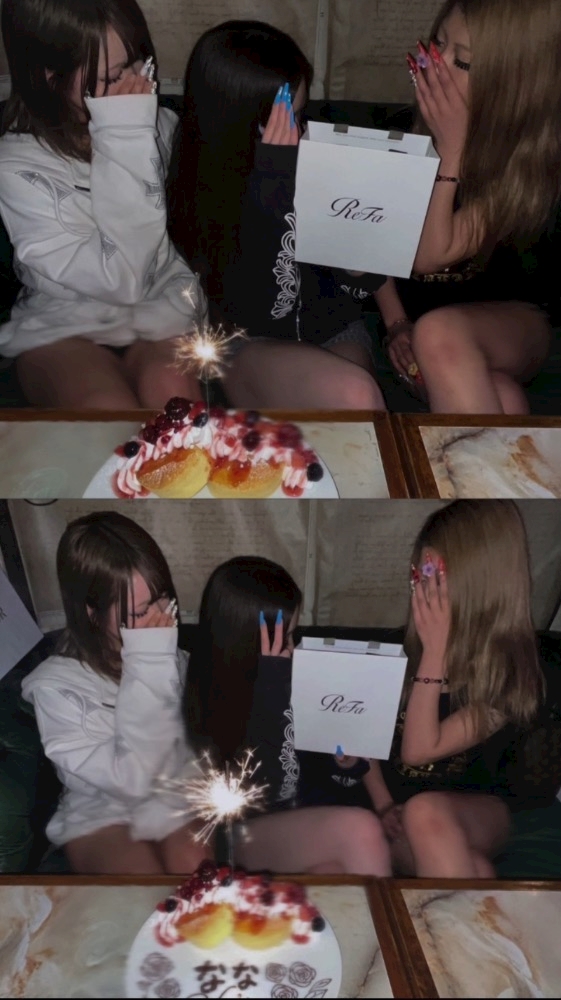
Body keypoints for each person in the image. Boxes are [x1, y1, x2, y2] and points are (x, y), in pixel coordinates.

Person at [167, 20, 388, 410]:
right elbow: (259, 306)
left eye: (300, 116)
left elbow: (357, 287)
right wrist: (275, 186)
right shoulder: (203, 183)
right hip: (250, 343)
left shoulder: (317, 154)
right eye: (284, 121)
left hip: (334, 331)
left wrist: (358, 263)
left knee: (356, 397)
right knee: (352, 391)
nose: (299, 133)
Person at [0, 0, 202, 409]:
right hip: (62, 324)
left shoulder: (159, 124)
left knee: (176, 404)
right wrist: (124, 132)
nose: (135, 84)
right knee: (107, 412)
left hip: (161, 311)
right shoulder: (17, 164)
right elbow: (121, 280)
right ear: (50, 77)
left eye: (139, 63)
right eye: (112, 77)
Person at [380, 0, 561, 413]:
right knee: (504, 399)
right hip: (426, 331)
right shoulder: (401, 130)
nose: (436, 66)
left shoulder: (529, 155)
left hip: (514, 323)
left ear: (512, 79)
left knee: (439, 334)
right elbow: (371, 241)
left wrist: (452, 150)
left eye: (463, 61)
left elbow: (431, 255)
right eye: (437, 44)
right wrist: (396, 324)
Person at [365, 500, 546, 877]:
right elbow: (359, 739)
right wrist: (382, 804)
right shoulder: (396, 652)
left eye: (435, 575)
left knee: (425, 811)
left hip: (478, 809)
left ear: (478, 583)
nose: (423, 589)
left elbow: (419, 751)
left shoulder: (508, 672)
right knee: (474, 870)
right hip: (401, 814)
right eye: (419, 574)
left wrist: (435, 653)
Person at [22, 511, 209, 875]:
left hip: (173, 796)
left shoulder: (175, 657)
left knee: (195, 866)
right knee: (140, 882)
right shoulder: (56, 689)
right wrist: (149, 659)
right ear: (92, 613)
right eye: (140, 613)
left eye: (163, 599)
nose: (160, 618)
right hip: (100, 812)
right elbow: (135, 779)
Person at [183, 556, 391, 875]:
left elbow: (322, 772)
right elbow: (268, 790)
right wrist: (273, 688)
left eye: (293, 635)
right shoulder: (209, 695)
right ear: (248, 638)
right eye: (286, 637)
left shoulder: (298, 676)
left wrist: (343, 762)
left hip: (308, 824)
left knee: (336, 873)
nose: (293, 648)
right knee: (361, 830)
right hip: (247, 834)